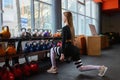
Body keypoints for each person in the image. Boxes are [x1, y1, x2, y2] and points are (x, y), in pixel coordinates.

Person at [47, 11, 108, 77]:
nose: (62, 18)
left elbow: (63, 42)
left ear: (66, 17)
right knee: (81, 68)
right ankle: (100, 67)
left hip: (67, 48)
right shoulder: (72, 28)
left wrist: (62, 54)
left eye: (63, 16)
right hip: (74, 49)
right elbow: (72, 40)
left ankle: (53, 68)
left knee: (52, 50)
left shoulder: (64, 28)